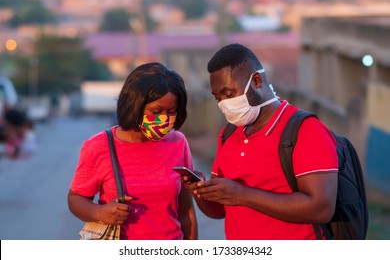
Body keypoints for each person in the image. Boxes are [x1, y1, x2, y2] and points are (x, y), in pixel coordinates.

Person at [183, 43, 338, 240]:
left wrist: (242, 195)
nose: (223, 103)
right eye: (218, 98)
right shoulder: (229, 134)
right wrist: (200, 191)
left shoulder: (304, 129)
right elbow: (219, 210)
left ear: (256, 80)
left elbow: (321, 208)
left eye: (229, 94)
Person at [68, 62, 198, 240]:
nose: (164, 119)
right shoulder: (99, 146)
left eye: (171, 112)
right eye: (156, 111)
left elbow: (186, 210)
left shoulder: (178, 142)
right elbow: (76, 199)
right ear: (134, 105)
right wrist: (99, 213)